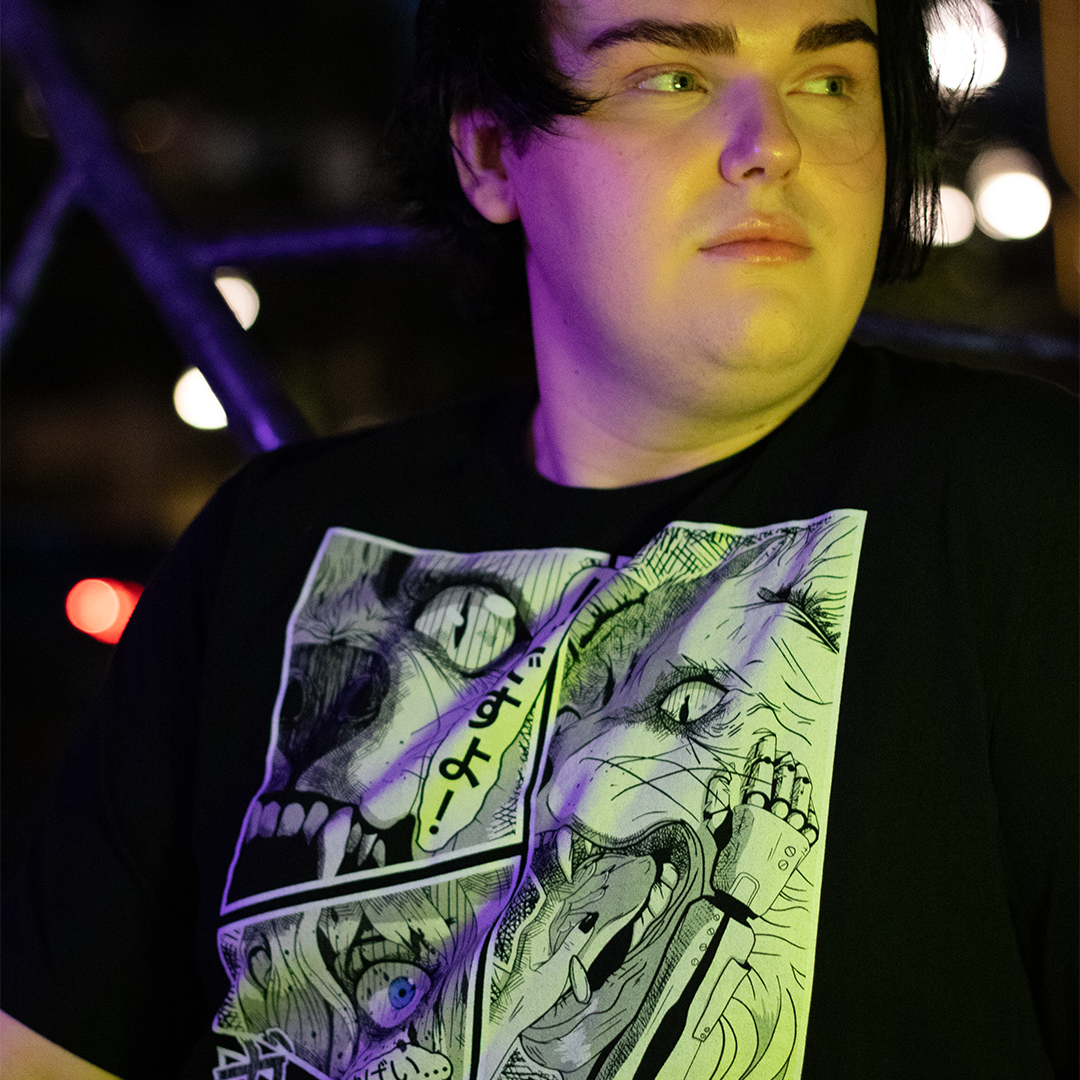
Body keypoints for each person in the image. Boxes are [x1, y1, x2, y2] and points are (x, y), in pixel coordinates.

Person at [2, 0, 1076, 1076]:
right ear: (488, 151)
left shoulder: (1016, 506)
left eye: (829, 82)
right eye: (672, 78)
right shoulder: (270, 541)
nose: (773, 145)